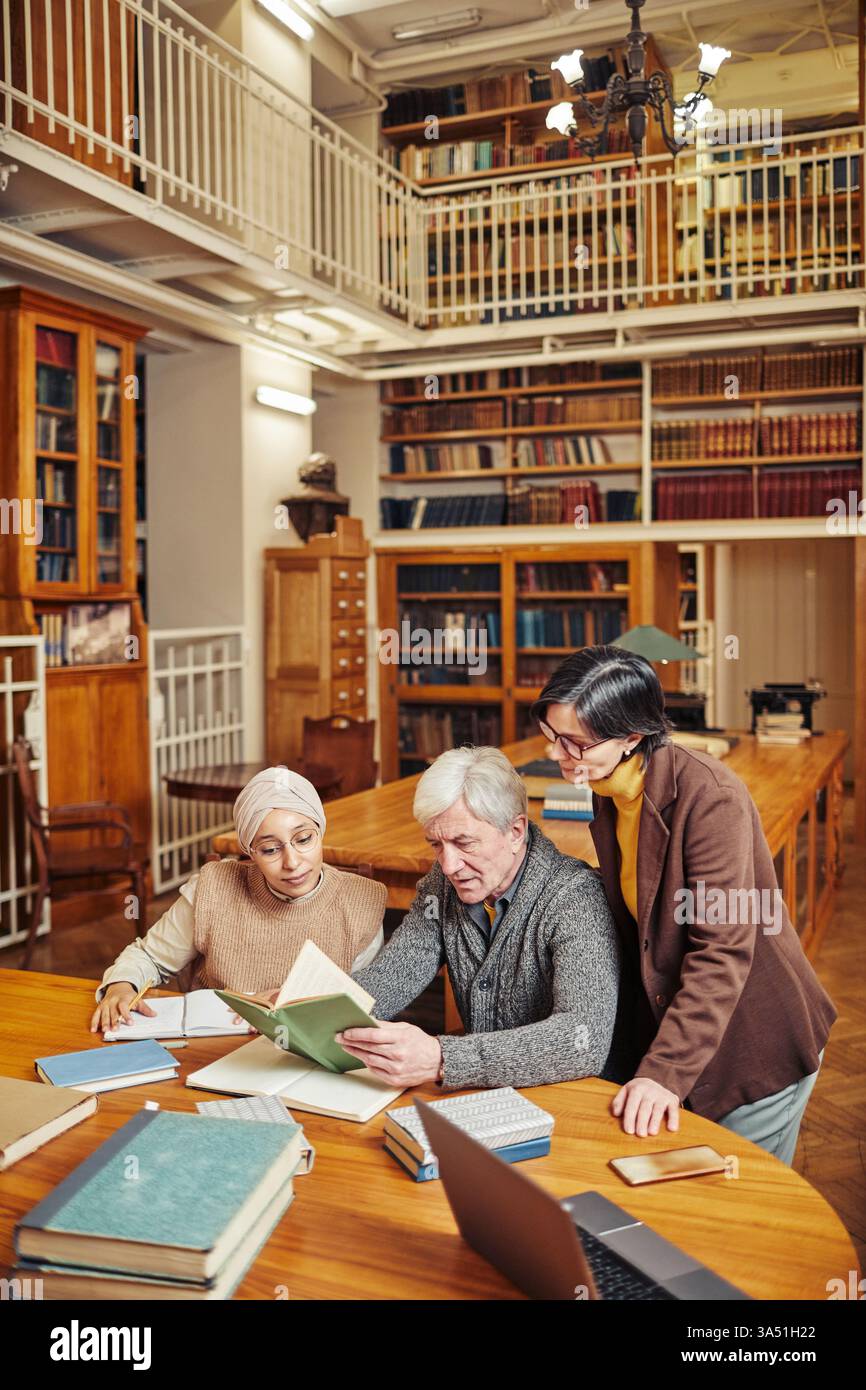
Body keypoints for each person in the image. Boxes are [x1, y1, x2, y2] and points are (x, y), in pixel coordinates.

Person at [531, 644, 836, 1165]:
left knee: (741, 1215)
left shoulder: (712, 797)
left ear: (631, 736)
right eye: (552, 737)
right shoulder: (609, 784)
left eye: (575, 744)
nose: (559, 755)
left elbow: (722, 954)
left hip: (756, 1042)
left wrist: (662, 1073)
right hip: (692, 1031)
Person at [336, 745, 622, 1091]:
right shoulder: (440, 887)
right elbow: (391, 975)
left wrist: (443, 1059)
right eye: (436, 845)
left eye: (464, 842)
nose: (448, 865)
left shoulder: (574, 897)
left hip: (572, 1098)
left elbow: (583, 1041)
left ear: (515, 832)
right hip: (487, 1095)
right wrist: (310, 1007)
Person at [90, 766, 385, 1033]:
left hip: (305, 1056)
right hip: (209, 1046)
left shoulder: (360, 903)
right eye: (270, 850)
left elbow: (360, 1004)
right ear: (249, 852)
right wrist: (120, 986)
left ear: (320, 831)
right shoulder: (212, 889)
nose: (292, 862)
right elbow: (149, 957)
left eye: (304, 839)